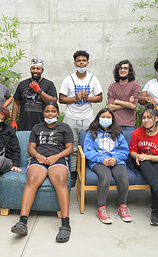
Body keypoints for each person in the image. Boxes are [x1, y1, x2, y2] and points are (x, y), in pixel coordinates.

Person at [11, 101, 73, 243]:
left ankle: (65, 224)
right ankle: (22, 222)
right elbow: (31, 148)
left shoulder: (64, 127)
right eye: (47, 111)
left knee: (60, 180)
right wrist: (38, 156)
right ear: (43, 113)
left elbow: (69, 148)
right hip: (38, 159)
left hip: (57, 159)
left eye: (53, 111)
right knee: (32, 180)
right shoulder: (37, 127)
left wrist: (56, 156)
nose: (50, 114)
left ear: (57, 113)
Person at [59, 50, 103, 187]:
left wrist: (87, 97)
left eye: (84, 61)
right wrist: (75, 98)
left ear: (88, 63)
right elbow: (61, 99)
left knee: (89, 146)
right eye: (79, 61)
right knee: (71, 147)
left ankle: (86, 172)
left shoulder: (93, 79)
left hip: (87, 117)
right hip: (71, 117)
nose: (81, 63)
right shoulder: (68, 79)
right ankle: (72, 173)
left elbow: (100, 97)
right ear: (75, 63)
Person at [84, 108, 131, 224]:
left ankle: (122, 206)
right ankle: (101, 208)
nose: (105, 119)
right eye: (103, 117)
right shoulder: (91, 133)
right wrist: (102, 159)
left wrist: (116, 158)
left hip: (116, 161)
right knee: (105, 177)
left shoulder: (118, 132)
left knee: (123, 178)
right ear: (98, 118)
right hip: (98, 162)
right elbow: (88, 151)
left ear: (112, 119)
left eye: (108, 117)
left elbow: (124, 150)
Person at [129, 103, 158, 226]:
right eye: (144, 118)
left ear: (156, 119)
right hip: (142, 162)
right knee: (144, 162)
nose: (146, 120)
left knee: (154, 176)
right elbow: (132, 151)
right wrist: (137, 156)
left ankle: (155, 209)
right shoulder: (137, 132)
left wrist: (148, 156)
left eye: (149, 117)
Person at [11, 59, 58, 131]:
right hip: (24, 124)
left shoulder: (49, 84)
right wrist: (13, 121)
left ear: (42, 70)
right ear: (30, 70)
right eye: (33, 68)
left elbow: (53, 101)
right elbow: (16, 103)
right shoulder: (22, 84)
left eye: (38, 69)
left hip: (43, 124)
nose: (35, 71)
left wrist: (39, 91)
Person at [108, 60, 140, 132]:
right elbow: (110, 107)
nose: (122, 70)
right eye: (120, 68)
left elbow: (133, 106)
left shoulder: (135, 85)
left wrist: (117, 101)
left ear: (129, 71)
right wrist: (128, 103)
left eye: (125, 68)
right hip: (114, 125)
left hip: (129, 125)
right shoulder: (112, 87)